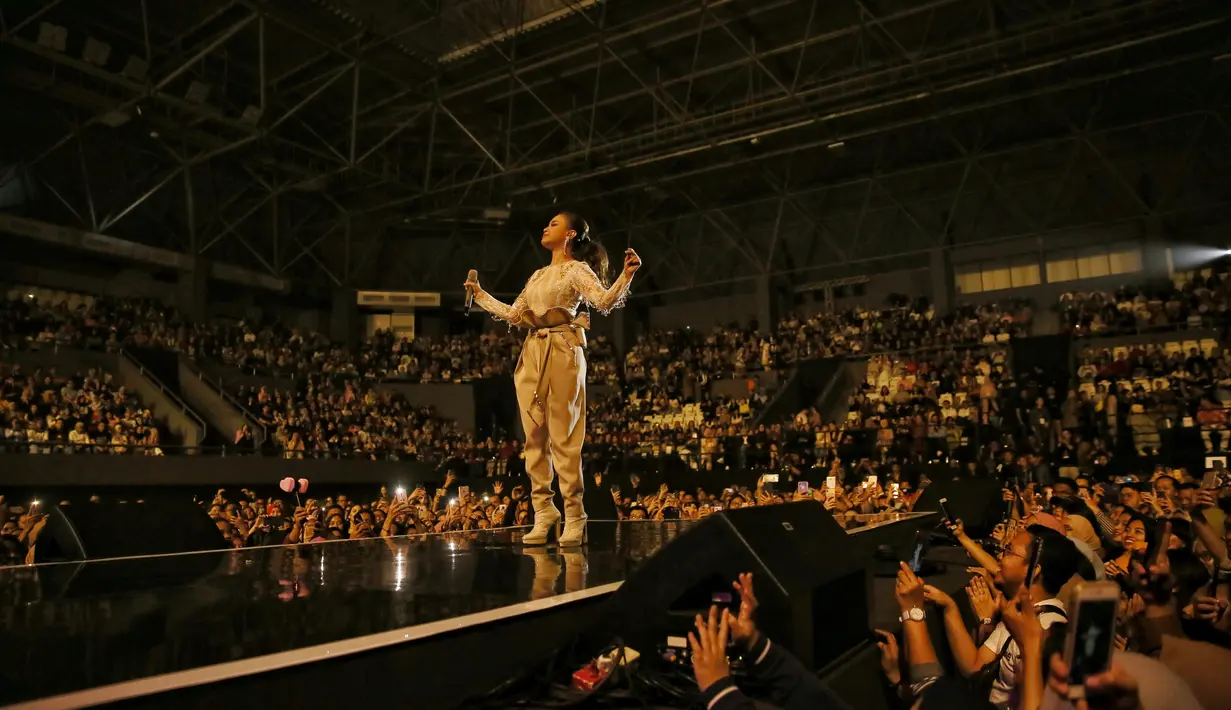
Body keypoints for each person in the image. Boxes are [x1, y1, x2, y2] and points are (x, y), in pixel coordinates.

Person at [464, 212, 640, 546]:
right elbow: (514, 314)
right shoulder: (537, 275)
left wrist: (626, 276)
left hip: (563, 349)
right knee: (534, 437)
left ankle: (574, 514)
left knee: (564, 436)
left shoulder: (577, 270)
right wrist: (481, 294)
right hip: (532, 351)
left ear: (571, 234)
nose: (545, 227)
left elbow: (603, 301)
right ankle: (544, 510)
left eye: (554, 224)